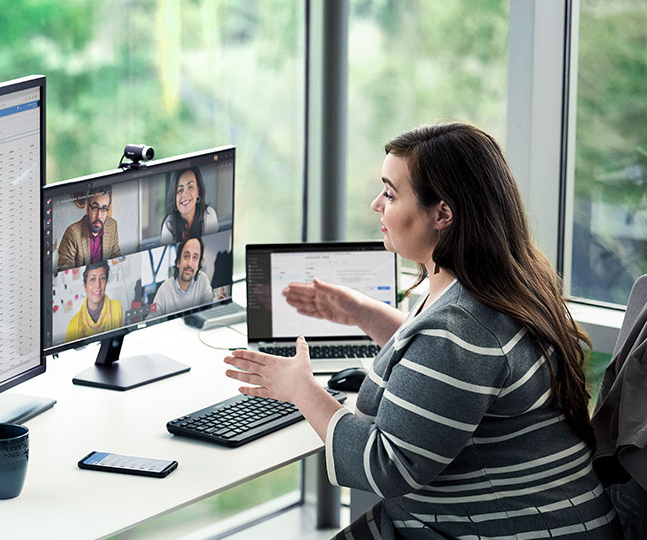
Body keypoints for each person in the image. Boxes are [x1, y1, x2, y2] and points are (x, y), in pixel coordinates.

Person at [223, 123, 619, 538]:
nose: (376, 204)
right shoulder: (502, 283)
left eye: (391, 193)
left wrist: (300, 387)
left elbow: (385, 466)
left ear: (442, 214)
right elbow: (456, 372)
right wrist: (364, 313)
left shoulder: (460, 330)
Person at [57, 186, 121, 271]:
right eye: (95, 208)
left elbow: (116, 259)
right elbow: (66, 272)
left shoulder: (112, 225)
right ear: (88, 209)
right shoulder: (72, 233)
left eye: (104, 209)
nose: (99, 216)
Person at [152, 237, 214, 315]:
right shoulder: (164, 289)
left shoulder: (203, 280)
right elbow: (152, 318)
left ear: (198, 265)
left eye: (195, 257)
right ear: (178, 262)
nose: (190, 264)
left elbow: (210, 310)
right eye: (186, 256)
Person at [66, 260, 123, 342]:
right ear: (85, 286)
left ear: (106, 283)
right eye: (92, 279)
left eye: (102, 278)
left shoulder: (116, 307)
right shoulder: (73, 325)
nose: (98, 285)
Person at [161, 167, 218, 244]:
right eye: (180, 190)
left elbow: (213, 245)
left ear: (198, 191)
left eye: (190, 187)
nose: (185, 194)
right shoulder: (168, 224)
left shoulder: (209, 214)